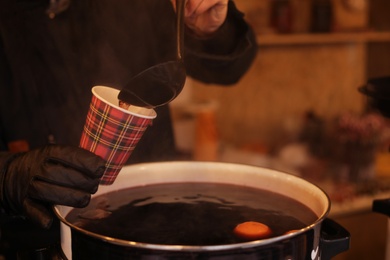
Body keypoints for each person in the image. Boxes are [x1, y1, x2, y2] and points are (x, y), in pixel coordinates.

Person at [0, 0, 257, 257]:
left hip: (153, 220)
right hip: (28, 237)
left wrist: (207, 30)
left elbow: (230, 68)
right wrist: (8, 176)